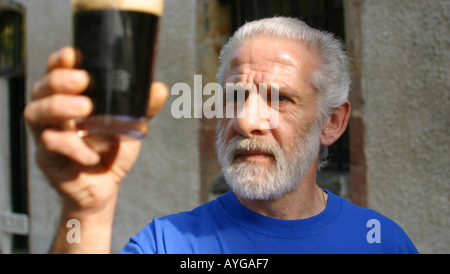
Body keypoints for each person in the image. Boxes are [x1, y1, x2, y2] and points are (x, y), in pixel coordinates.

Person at [24, 17, 418, 254]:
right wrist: (86, 211)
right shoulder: (168, 243)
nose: (246, 121)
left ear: (332, 122)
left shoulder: (381, 241)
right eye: (235, 96)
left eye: (279, 99)